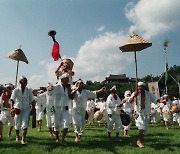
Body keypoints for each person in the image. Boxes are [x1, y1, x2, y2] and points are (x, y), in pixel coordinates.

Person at [71, 79, 106, 143]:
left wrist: (100, 90)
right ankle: (76, 136)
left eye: (82, 84)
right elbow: (71, 96)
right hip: (75, 109)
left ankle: (79, 137)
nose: (81, 85)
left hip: (82, 110)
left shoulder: (85, 92)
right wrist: (75, 89)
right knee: (76, 123)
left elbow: (93, 93)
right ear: (77, 84)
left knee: (82, 124)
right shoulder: (74, 91)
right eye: (79, 83)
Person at [129, 82, 161, 148]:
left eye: (141, 87)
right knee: (142, 127)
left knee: (145, 130)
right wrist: (134, 95)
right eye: (138, 87)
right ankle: (139, 141)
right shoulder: (135, 93)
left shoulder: (148, 94)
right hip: (138, 113)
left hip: (146, 113)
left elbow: (156, 99)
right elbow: (130, 101)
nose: (139, 88)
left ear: (144, 87)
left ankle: (139, 141)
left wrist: (161, 100)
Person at [47, 73, 72, 146]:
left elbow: (70, 96)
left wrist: (69, 88)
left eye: (68, 79)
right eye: (66, 79)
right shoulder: (57, 87)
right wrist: (49, 88)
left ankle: (63, 139)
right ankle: (58, 138)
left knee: (66, 124)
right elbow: (49, 90)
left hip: (66, 108)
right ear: (62, 80)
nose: (67, 80)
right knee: (57, 125)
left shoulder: (68, 88)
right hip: (57, 108)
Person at [10, 76, 35, 145]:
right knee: (17, 123)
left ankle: (23, 139)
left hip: (26, 109)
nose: (26, 83)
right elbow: (12, 99)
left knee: (25, 123)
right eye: (24, 81)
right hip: (18, 108)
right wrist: (12, 107)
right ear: (20, 82)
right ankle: (17, 135)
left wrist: (33, 107)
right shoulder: (16, 90)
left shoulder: (28, 90)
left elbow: (32, 100)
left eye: (26, 81)